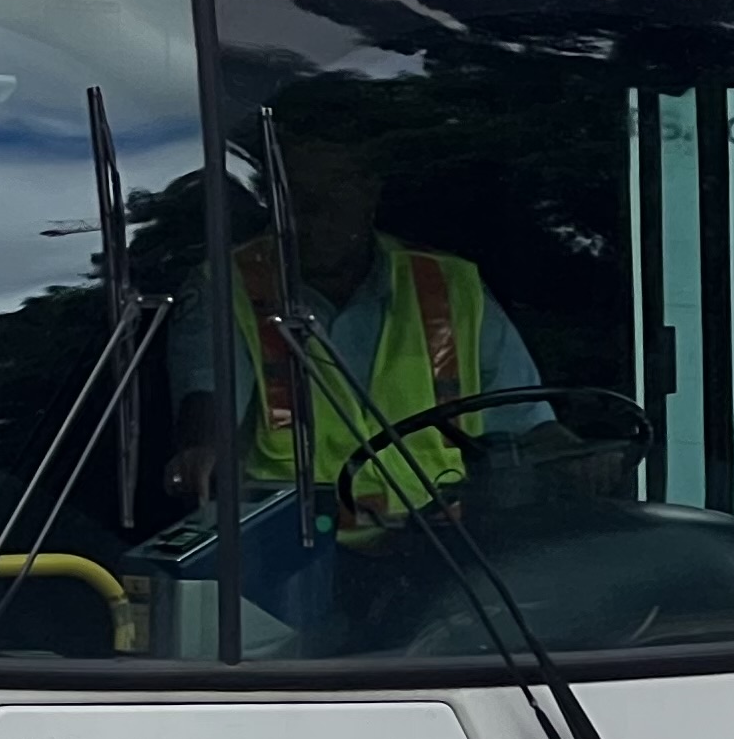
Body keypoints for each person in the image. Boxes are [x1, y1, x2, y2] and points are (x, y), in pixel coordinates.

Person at [167, 96, 567, 522]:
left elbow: (527, 424)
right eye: (298, 195)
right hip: (297, 563)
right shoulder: (227, 287)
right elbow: (207, 401)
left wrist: (578, 455)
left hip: (446, 558)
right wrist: (202, 451)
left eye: (336, 189)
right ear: (273, 200)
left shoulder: (452, 286)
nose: (317, 214)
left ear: (370, 191)